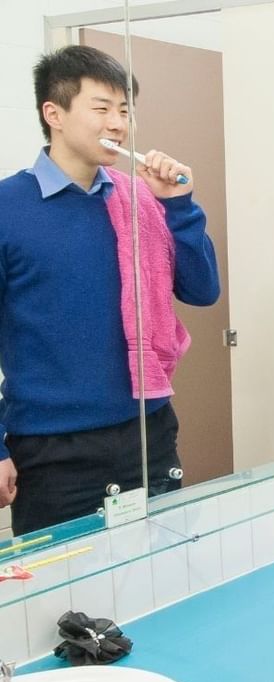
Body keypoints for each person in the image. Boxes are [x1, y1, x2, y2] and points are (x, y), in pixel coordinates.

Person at [0, 45, 220, 536]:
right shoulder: (7, 208)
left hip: (149, 428)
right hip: (52, 449)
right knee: (63, 600)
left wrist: (180, 206)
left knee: (165, 576)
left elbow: (203, 291)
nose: (118, 124)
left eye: (125, 110)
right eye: (101, 108)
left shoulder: (139, 198)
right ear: (52, 114)